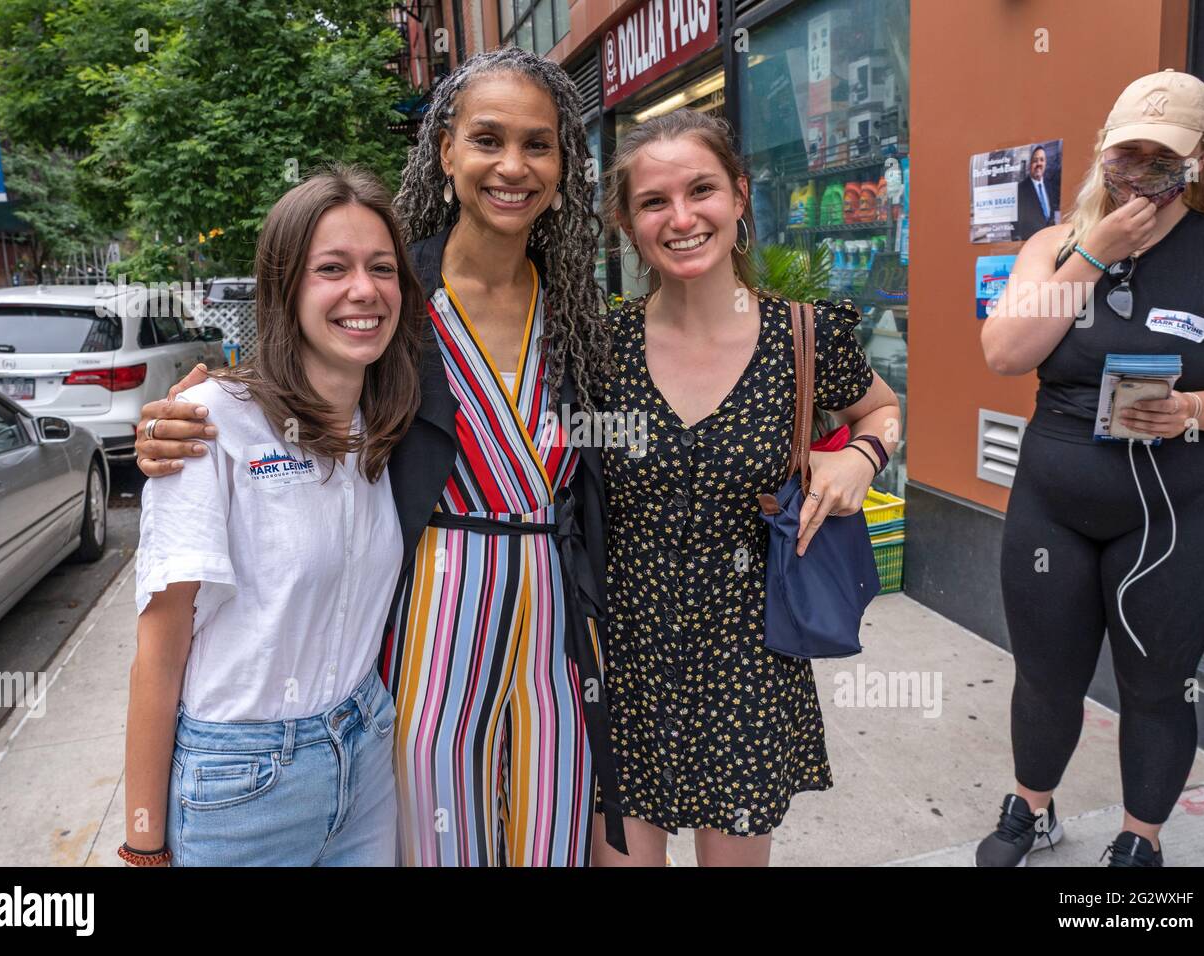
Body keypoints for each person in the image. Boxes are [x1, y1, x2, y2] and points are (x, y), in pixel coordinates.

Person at [131, 47, 625, 867]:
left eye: (539, 144)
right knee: (436, 840)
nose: (513, 165)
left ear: (565, 163)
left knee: (550, 832)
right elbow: (299, 381)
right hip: (430, 614)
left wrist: (852, 443)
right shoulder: (394, 295)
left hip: (554, 623)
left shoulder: (575, 304)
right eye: (488, 139)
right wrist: (186, 415)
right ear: (446, 152)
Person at [591, 108, 902, 866]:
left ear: (738, 195)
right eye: (654, 202)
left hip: (749, 660)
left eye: (701, 190)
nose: (682, 217)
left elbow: (885, 410)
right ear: (629, 225)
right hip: (627, 659)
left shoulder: (806, 335)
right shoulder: (600, 348)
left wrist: (862, 455)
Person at [122, 166, 423, 866]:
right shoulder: (209, 424)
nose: (364, 290)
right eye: (332, 268)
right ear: (285, 288)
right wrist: (142, 845)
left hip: (367, 750)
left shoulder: (383, 422)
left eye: (382, 268)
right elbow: (158, 654)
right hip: (243, 782)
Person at [979, 70, 1204, 867]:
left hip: (1185, 507)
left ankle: (1141, 837)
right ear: (1103, 154)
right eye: (1128, 156)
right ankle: (1033, 806)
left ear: (1199, 160)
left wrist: (1194, 411)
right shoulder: (1051, 245)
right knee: (1046, 673)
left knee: (1158, 684)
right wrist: (1093, 252)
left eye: (1163, 160)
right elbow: (1003, 354)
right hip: (1056, 499)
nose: (1142, 175)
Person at [1013, 145, 1061, 240]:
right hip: (1030, 245)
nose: (1039, 163)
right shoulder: (1020, 189)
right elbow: (1015, 226)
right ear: (1029, 164)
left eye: (1042, 160)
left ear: (1045, 163)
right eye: (1035, 160)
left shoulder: (1049, 185)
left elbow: (1051, 218)